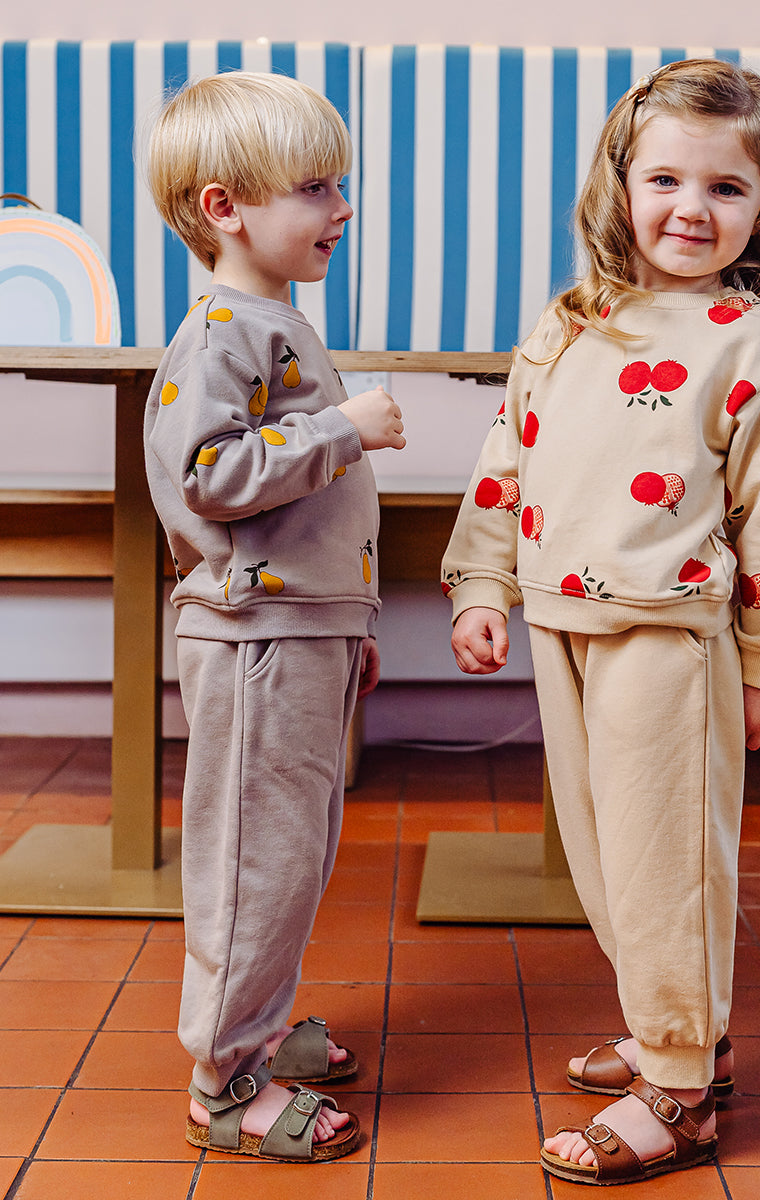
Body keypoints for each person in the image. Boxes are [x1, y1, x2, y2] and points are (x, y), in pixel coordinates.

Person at [443, 59, 760, 1186]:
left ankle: (680, 1095)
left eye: (726, 188)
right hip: (560, 625)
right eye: (665, 179)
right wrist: (482, 584)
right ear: (619, 186)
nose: (691, 209)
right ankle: (684, 1036)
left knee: (667, 867)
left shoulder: (751, 339)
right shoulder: (570, 323)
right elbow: (506, 460)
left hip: (671, 639)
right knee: (607, 857)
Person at [143, 71, 405, 1163]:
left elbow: (299, 518)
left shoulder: (269, 322)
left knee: (290, 855)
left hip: (299, 631)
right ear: (225, 208)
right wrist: (345, 428)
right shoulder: (220, 335)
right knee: (255, 857)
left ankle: (254, 1030)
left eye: (339, 185)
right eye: (315, 188)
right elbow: (206, 475)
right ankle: (222, 1081)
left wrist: (352, 621)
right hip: (255, 639)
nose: (342, 207)